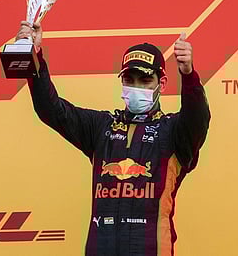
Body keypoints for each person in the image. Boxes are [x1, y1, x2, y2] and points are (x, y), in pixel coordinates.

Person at [16, 21, 211, 256]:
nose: (135, 86)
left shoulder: (172, 131)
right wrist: (35, 57)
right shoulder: (102, 127)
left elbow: (198, 119)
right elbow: (51, 110)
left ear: (161, 84)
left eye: (144, 81)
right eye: (129, 79)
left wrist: (188, 76)